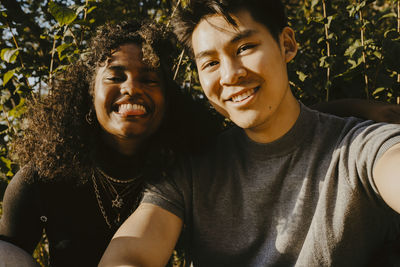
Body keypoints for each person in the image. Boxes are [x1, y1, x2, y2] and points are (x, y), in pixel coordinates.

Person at [99, 1, 400, 266]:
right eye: (211, 63)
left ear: (287, 44)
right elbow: (129, 255)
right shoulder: (190, 171)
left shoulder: (358, 149)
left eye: (244, 48)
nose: (230, 74)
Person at [0, 20, 220, 266]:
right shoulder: (43, 177)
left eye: (149, 80)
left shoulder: (183, 171)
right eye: (115, 76)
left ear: (169, 99)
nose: (131, 88)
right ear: (90, 93)